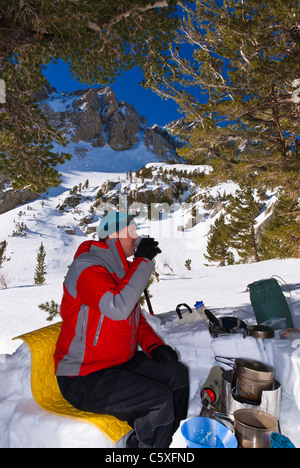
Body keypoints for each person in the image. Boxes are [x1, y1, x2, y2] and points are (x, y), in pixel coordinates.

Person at [54, 211, 190, 448]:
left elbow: (133, 317)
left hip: (117, 363)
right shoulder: (86, 267)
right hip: (83, 376)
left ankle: (167, 440)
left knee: (176, 374)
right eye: (132, 232)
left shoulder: (122, 270)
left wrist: (154, 346)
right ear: (115, 235)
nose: (137, 238)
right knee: (159, 401)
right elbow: (117, 307)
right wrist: (144, 260)